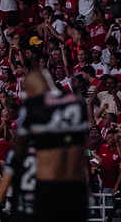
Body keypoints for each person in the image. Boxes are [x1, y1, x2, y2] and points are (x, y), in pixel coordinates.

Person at [13, 70, 88, 222]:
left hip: (49, 188)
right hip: (77, 187)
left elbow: (18, 149)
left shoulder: (33, 106)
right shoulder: (78, 102)